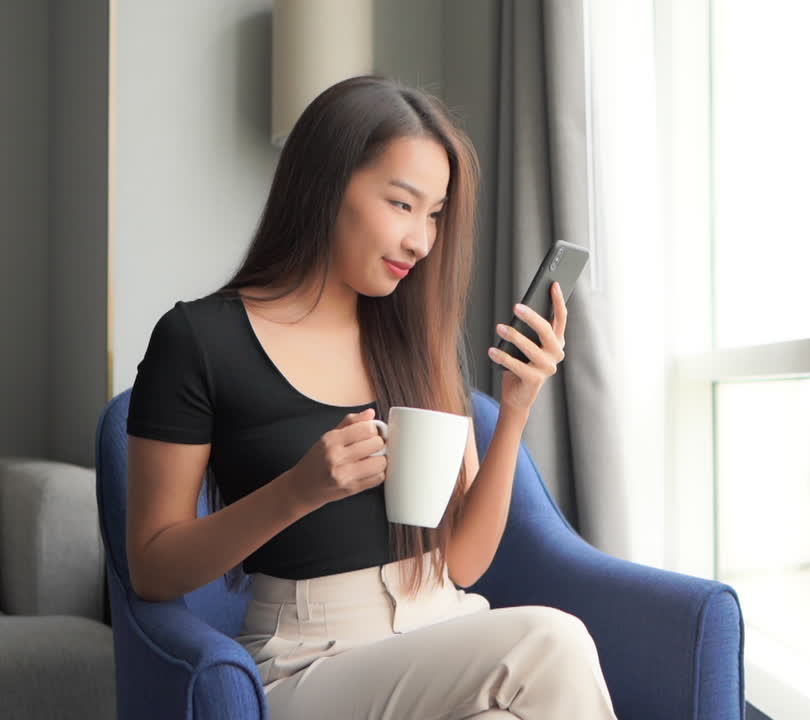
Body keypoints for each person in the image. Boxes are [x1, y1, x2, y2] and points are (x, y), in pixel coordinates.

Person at [124, 74, 618, 720]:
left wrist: (517, 406)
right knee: (553, 640)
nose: (421, 240)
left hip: (442, 629)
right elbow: (152, 567)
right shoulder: (199, 339)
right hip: (307, 660)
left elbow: (463, 563)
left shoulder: (421, 340)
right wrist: (297, 490)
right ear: (327, 185)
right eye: (402, 204)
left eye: (435, 215)